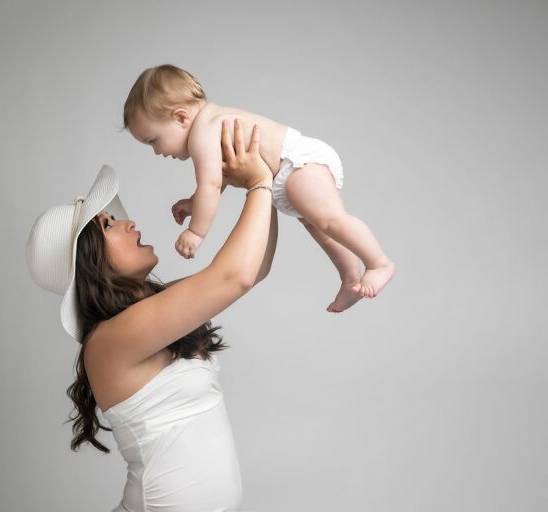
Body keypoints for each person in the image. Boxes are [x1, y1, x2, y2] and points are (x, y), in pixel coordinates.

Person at [26, 122, 276, 512]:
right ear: (90, 261)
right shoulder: (110, 339)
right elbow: (236, 276)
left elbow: (255, 267)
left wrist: (266, 187)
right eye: (109, 225)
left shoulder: (151, 312)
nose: (129, 223)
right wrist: (259, 180)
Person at [123, 64, 395, 313]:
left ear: (181, 117)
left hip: (296, 163)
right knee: (322, 229)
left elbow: (212, 182)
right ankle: (350, 279)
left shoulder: (202, 131)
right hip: (283, 178)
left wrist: (196, 231)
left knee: (330, 221)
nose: (156, 152)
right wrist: (195, 203)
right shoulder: (208, 127)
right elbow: (222, 177)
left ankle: (379, 263)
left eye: (153, 140)